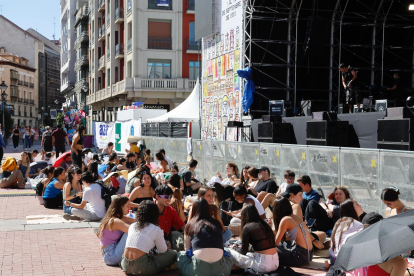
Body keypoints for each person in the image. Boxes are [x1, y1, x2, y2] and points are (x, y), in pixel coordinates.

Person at [177, 199, 233, 276]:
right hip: (221, 271)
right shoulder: (217, 224)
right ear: (208, 209)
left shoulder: (190, 225)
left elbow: (187, 249)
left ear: (193, 210)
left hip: (197, 271)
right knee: (227, 251)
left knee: (180, 254)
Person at [121, 200, 177, 275]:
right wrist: (167, 243)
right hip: (141, 267)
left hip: (125, 265)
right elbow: (162, 250)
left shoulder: (133, 225)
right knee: (173, 253)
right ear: (155, 215)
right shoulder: (156, 229)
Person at [228, 204, 279, 273]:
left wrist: (234, 248)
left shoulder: (247, 227)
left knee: (230, 251)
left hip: (263, 265)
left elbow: (243, 251)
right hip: (276, 263)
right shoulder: (264, 224)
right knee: (249, 255)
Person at [273, 197, 314, 267]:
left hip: (299, 257)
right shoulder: (295, 217)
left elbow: (275, 243)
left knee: (271, 249)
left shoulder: (285, 220)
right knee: (283, 243)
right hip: (309, 255)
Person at [98, 195, 135, 266]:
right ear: (121, 206)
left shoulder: (121, 218)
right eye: (127, 206)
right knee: (130, 231)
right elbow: (134, 230)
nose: (129, 208)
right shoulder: (115, 221)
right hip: (110, 256)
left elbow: (137, 221)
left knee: (134, 227)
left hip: (114, 251)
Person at [329, 199, 364, 265]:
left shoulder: (339, 222)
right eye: (357, 204)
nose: (360, 205)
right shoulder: (357, 225)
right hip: (346, 263)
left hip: (334, 260)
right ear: (351, 209)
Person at [155, 185, 185, 251]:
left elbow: (183, 226)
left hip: (167, 238)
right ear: (158, 197)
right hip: (152, 241)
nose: (169, 199)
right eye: (166, 197)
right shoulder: (149, 209)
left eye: (170, 196)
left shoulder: (170, 210)